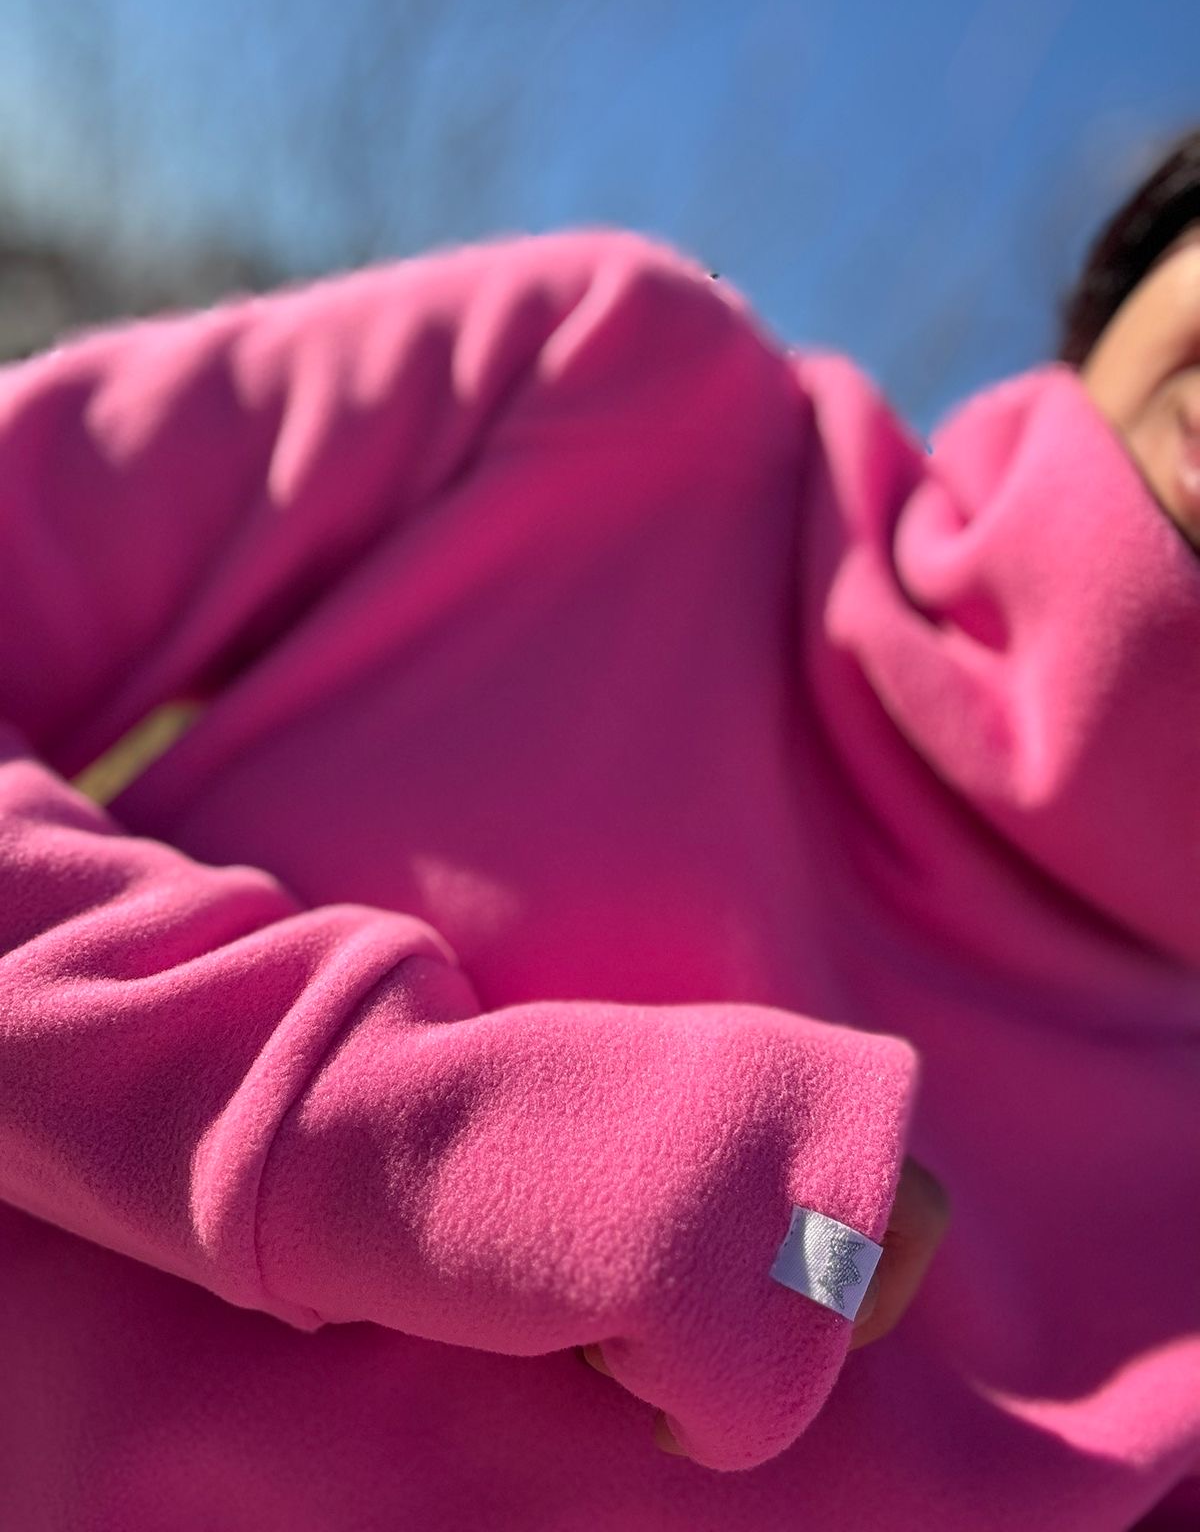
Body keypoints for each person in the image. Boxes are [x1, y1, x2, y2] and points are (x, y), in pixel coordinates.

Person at [0, 123, 1196, 1532]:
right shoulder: (609, 374)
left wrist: (788, 1262)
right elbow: (810, 1254)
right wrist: (428, 1140)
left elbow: (817, 1269)